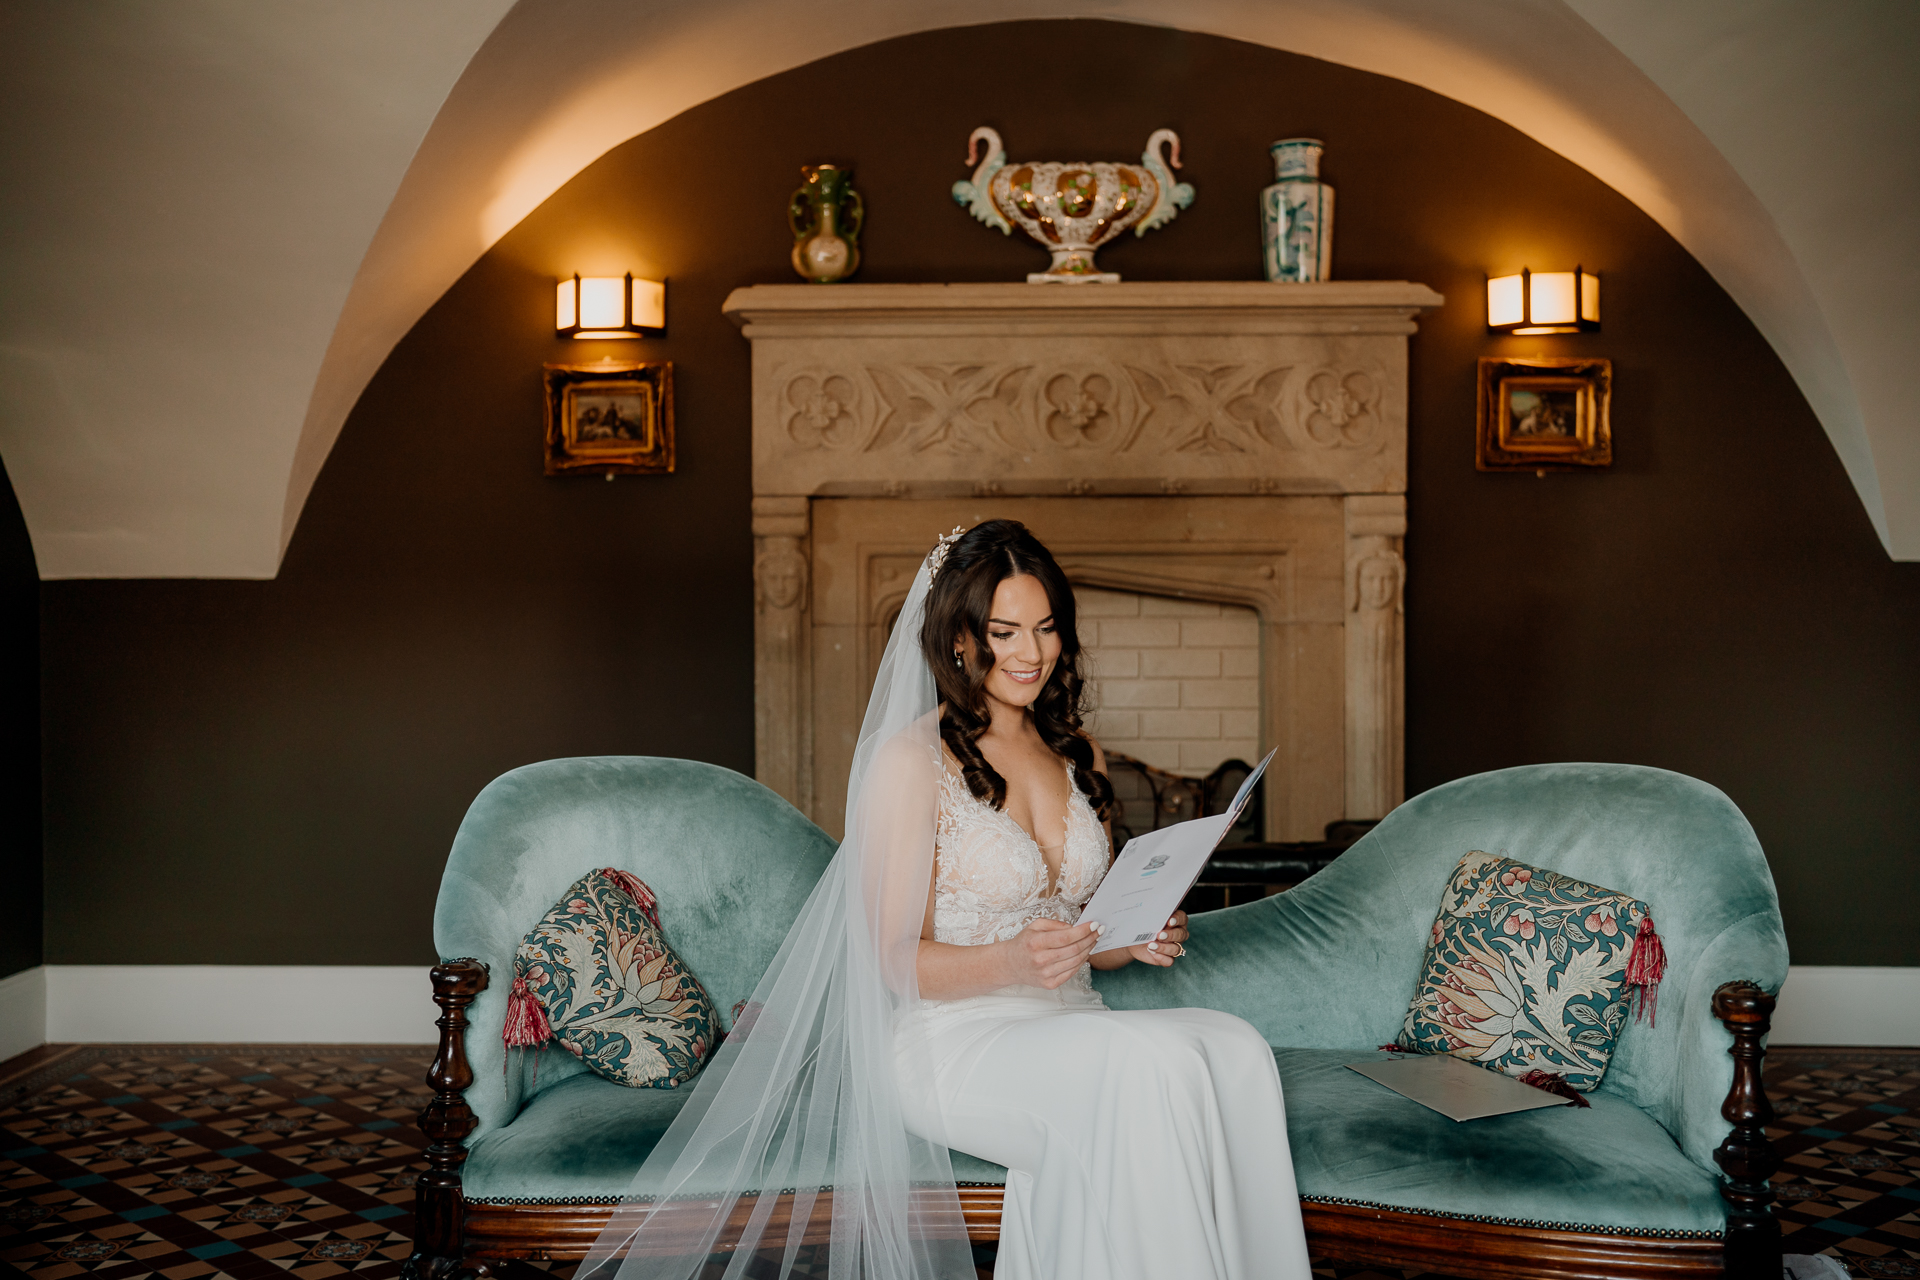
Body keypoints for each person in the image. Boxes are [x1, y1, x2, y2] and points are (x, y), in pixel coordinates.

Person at [582, 520, 1309, 1280]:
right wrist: (1009, 961)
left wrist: (1138, 938)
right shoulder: (910, 762)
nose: (1031, 653)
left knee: (1236, 1050)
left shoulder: (1076, 752)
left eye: (1046, 627)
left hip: (1071, 1026)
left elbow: (1085, 931)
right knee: (1148, 1071)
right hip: (951, 1043)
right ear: (959, 637)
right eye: (1004, 632)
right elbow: (891, 962)